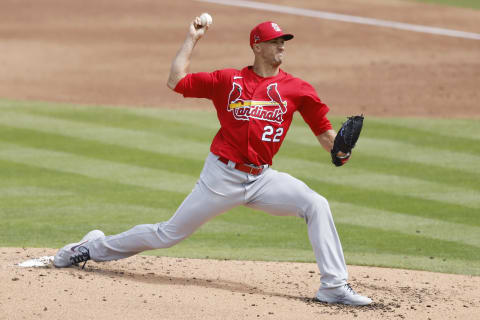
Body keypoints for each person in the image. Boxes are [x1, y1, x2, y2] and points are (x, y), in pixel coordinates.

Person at [54, 16, 372, 306]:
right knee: (168, 234)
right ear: (256, 46)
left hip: (263, 179)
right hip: (222, 176)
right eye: (275, 41)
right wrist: (193, 38)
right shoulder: (227, 80)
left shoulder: (298, 89)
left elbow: (326, 135)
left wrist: (341, 151)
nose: (281, 46)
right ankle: (88, 248)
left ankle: (333, 286)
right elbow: (176, 80)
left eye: (283, 41)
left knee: (315, 204)